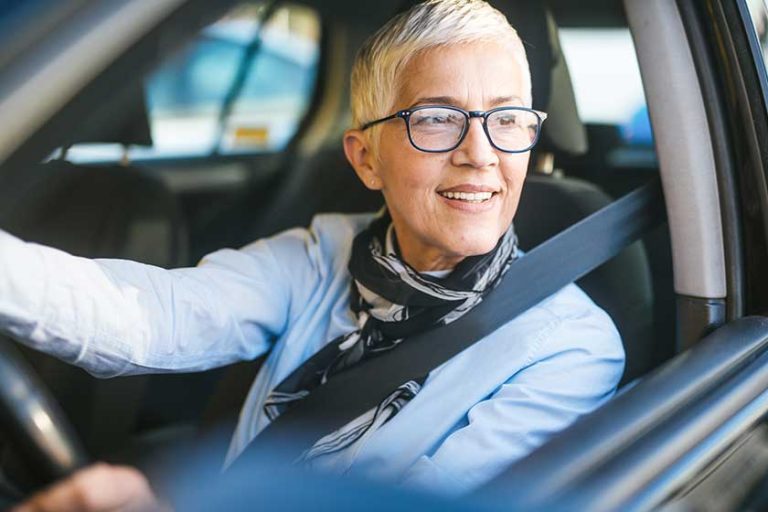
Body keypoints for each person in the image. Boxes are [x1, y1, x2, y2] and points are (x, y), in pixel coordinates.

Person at [6, 0, 624, 509]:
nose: (481, 153)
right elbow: (153, 317)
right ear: (364, 158)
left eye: (507, 120)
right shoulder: (323, 252)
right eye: (437, 119)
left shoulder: (570, 346)